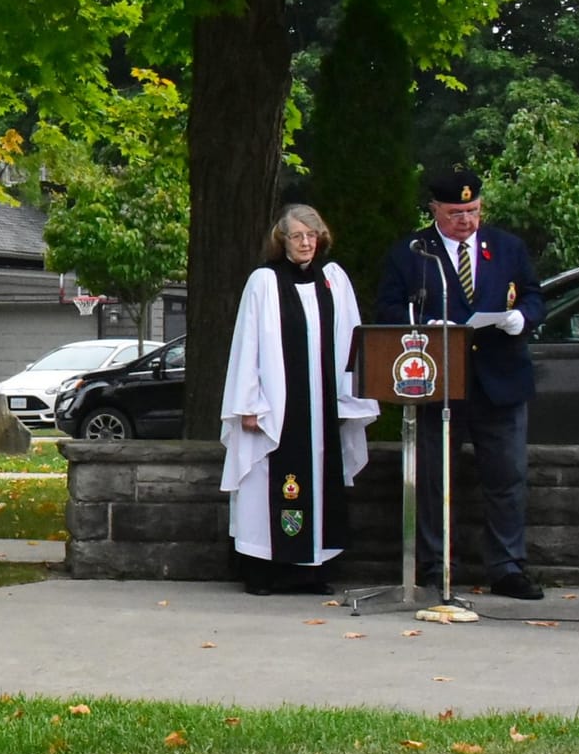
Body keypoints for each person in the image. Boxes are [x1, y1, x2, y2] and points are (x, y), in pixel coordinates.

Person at [375, 162, 545, 600]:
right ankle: (434, 566)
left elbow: (533, 294)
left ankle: (507, 567)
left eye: (472, 211)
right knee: (433, 478)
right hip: (438, 380)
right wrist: (426, 324)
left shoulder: (506, 247)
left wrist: (520, 318)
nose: (466, 221)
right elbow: (388, 309)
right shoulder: (412, 251)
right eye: (455, 213)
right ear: (434, 209)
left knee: (506, 476)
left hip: (500, 379)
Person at [219, 206, 381, 595]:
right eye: (297, 236)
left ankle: (310, 571)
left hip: (321, 407)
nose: (306, 242)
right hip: (275, 409)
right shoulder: (264, 282)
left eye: (312, 235)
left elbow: (348, 339)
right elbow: (248, 344)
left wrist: (350, 398)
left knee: (320, 484)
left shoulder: (334, 280)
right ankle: (262, 571)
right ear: (282, 240)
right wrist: (249, 403)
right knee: (265, 484)